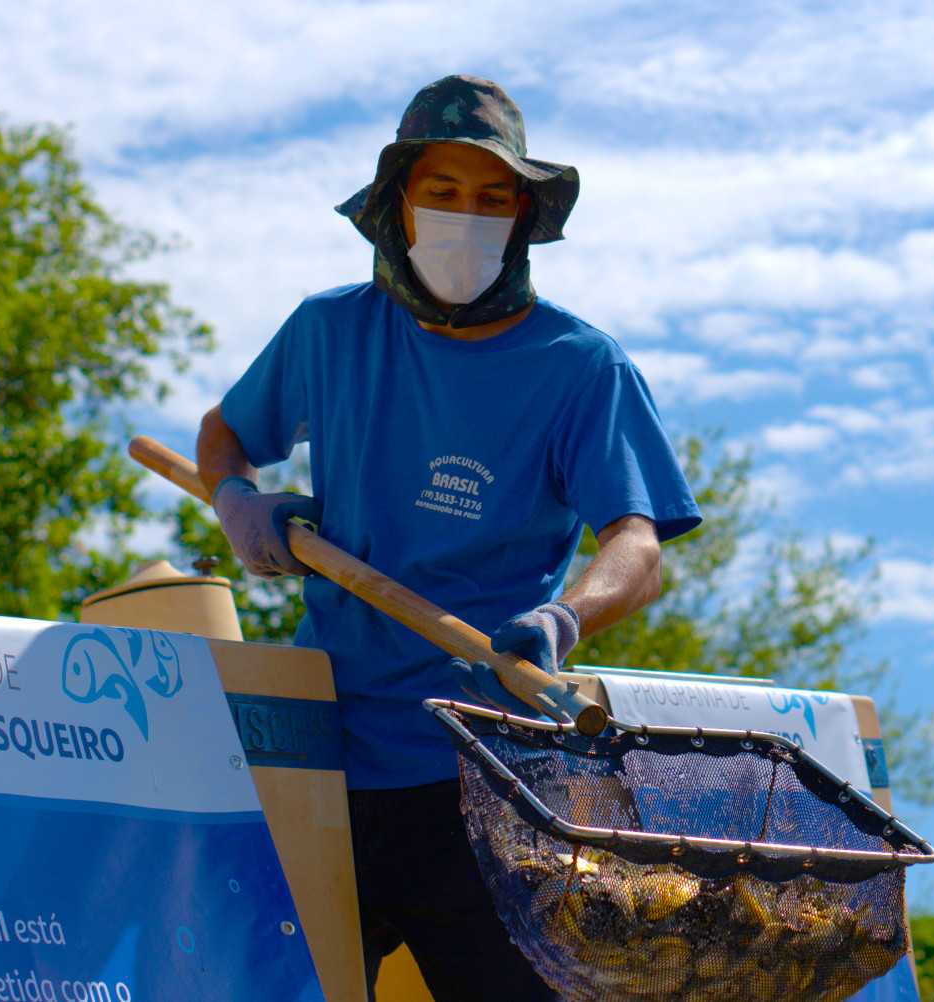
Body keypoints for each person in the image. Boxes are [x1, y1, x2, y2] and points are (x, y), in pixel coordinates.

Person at [196, 74, 701, 1002]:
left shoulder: (580, 367)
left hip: (483, 777)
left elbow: (637, 543)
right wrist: (239, 504)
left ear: (522, 216)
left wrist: (563, 616)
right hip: (321, 757)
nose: (465, 218)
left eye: (491, 198)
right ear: (398, 204)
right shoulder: (328, 332)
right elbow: (223, 434)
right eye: (442, 193)